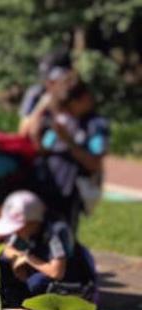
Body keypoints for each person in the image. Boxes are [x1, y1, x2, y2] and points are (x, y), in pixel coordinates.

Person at [0, 190, 97, 302]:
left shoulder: (55, 232)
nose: (15, 231)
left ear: (32, 222)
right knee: (0, 264)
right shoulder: (24, 230)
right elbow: (7, 248)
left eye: (18, 227)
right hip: (36, 267)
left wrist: (29, 259)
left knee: (36, 283)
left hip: (66, 275)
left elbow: (57, 272)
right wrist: (17, 261)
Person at [37, 79, 108, 232]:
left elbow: (94, 163)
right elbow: (42, 148)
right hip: (48, 185)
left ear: (83, 99)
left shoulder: (95, 125)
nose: (67, 112)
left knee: (62, 235)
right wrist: (40, 111)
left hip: (71, 191)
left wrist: (68, 140)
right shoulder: (63, 119)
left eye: (69, 107)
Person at [18, 49, 75, 137]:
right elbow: (23, 133)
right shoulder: (36, 93)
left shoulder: (75, 94)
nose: (48, 84)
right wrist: (41, 107)